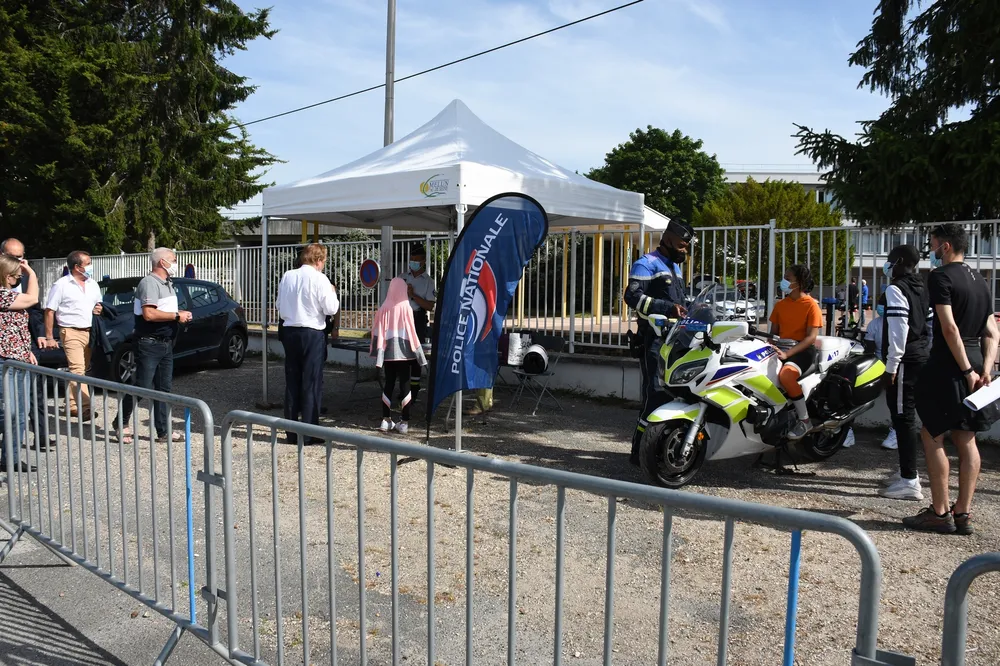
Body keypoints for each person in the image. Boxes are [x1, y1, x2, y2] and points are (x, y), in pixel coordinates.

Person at [907, 224, 999, 534]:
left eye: (933, 243)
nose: (931, 249)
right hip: (977, 362)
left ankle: (939, 511)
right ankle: (963, 513)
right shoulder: (981, 280)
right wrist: (985, 369)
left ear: (945, 246)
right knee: (966, 437)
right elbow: (992, 332)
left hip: (949, 365)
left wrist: (966, 371)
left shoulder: (940, 276)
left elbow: (949, 328)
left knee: (932, 433)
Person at [624, 218, 693, 466]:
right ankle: (639, 452)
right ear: (668, 240)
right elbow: (631, 296)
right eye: (682, 245)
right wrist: (667, 308)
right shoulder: (647, 263)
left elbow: (680, 302)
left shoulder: (675, 268)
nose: (684, 250)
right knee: (654, 394)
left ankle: (661, 447)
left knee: (675, 394)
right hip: (652, 339)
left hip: (676, 341)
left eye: (686, 247)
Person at [115, 248, 193, 444]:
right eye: (173, 260)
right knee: (142, 386)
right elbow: (149, 314)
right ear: (162, 262)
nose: (176, 263)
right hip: (149, 343)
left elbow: (163, 311)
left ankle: (163, 431)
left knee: (163, 388)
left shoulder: (168, 283)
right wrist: (177, 315)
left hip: (166, 343)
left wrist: (179, 314)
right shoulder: (149, 283)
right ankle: (121, 422)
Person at [879, 245, 932, 501]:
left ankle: (910, 480)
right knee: (908, 417)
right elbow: (929, 324)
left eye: (890, 260)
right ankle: (906, 473)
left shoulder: (896, 289)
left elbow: (898, 330)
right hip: (919, 357)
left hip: (903, 362)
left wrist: (891, 366)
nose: (887, 265)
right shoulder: (922, 287)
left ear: (899, 261)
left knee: (903, 418)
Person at [277, 243, 339, 440]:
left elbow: (279, 305)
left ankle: (291, 432)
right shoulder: (321, 279)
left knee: (292, 381)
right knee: (311, 382)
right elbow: (331, 308)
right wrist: (332, 291)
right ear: (319, 260)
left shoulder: (288, 276)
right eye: (324, 261)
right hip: (312, 332)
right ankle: (310, 432)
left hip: (290, 330)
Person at [40, 251, 103, 418]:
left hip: (90, 331)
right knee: (78, 370)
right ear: (77, 267)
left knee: (81, 370)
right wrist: (49, 337)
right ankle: (85, 407)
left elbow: (98, 304)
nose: (91, 266)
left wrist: (99, 309)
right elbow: (49, 311)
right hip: (70, 331)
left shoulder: (93, 284)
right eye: (88, 263)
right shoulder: (61, 285)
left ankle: (72, 404)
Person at [768, 264, 823, 440]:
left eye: (788, 278)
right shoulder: (780, 305)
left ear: (799, 282)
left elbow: (811, 338)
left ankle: (805, 421)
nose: (783, 281)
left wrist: (787, 354)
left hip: (802, 350)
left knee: (786, 376)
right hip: (781, 348)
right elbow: (773, 334)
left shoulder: (811, 305)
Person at [371, 277, 427, 434]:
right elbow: (412, 332)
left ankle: (385, 420)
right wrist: (419, 354)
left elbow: (377, 331)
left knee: (388, 383)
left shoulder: (384, 308)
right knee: (405, 385)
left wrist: (378, 353)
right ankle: (404, 422)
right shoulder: (406, 307)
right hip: (405, 354)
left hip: (388, 353)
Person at [0, 255, 39, 475]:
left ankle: (11, 459)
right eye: (17, 276)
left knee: (22, 413)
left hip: (20, 359)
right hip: (4, 361)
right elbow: (33, 298)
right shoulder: (2, 295)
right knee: (11, 412)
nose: (18, 279)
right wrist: (31, 273)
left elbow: (15, 329)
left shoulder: (10, 295)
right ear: (7, 277)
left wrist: (27, 351)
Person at [399, 244, 436, 403]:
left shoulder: (428, 282)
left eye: (416, 260)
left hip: (417, 319)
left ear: (423, 261)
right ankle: (403, 389)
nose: (413, 263)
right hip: (401, 318)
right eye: (411, 259)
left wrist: (413, 295)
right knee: (401, 355)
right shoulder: (402, 277)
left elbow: (429, 306)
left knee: (415, 356)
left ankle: (414, 390)